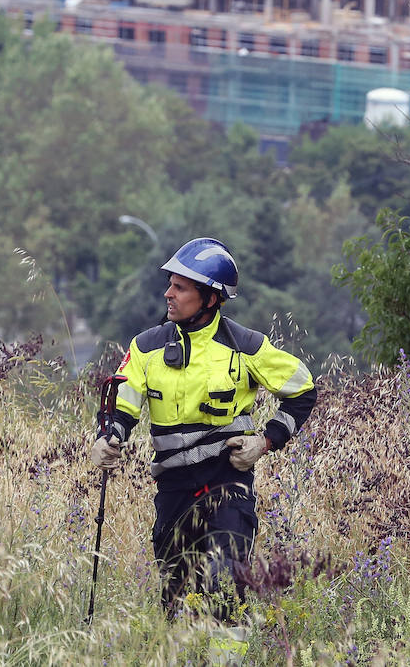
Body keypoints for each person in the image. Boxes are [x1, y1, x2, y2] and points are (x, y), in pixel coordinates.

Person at [89, 237, 317, 624]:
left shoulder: (246, 346)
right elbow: (122, 405)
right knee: (177, 603)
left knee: (224, 583)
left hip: (227, 482)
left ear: (210, 298)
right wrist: (109, 437)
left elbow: (303, 391)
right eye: (170, 285)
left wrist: (265, 442)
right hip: (173, 488)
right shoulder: (146, 347)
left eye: (180, 287)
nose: (168, 294)